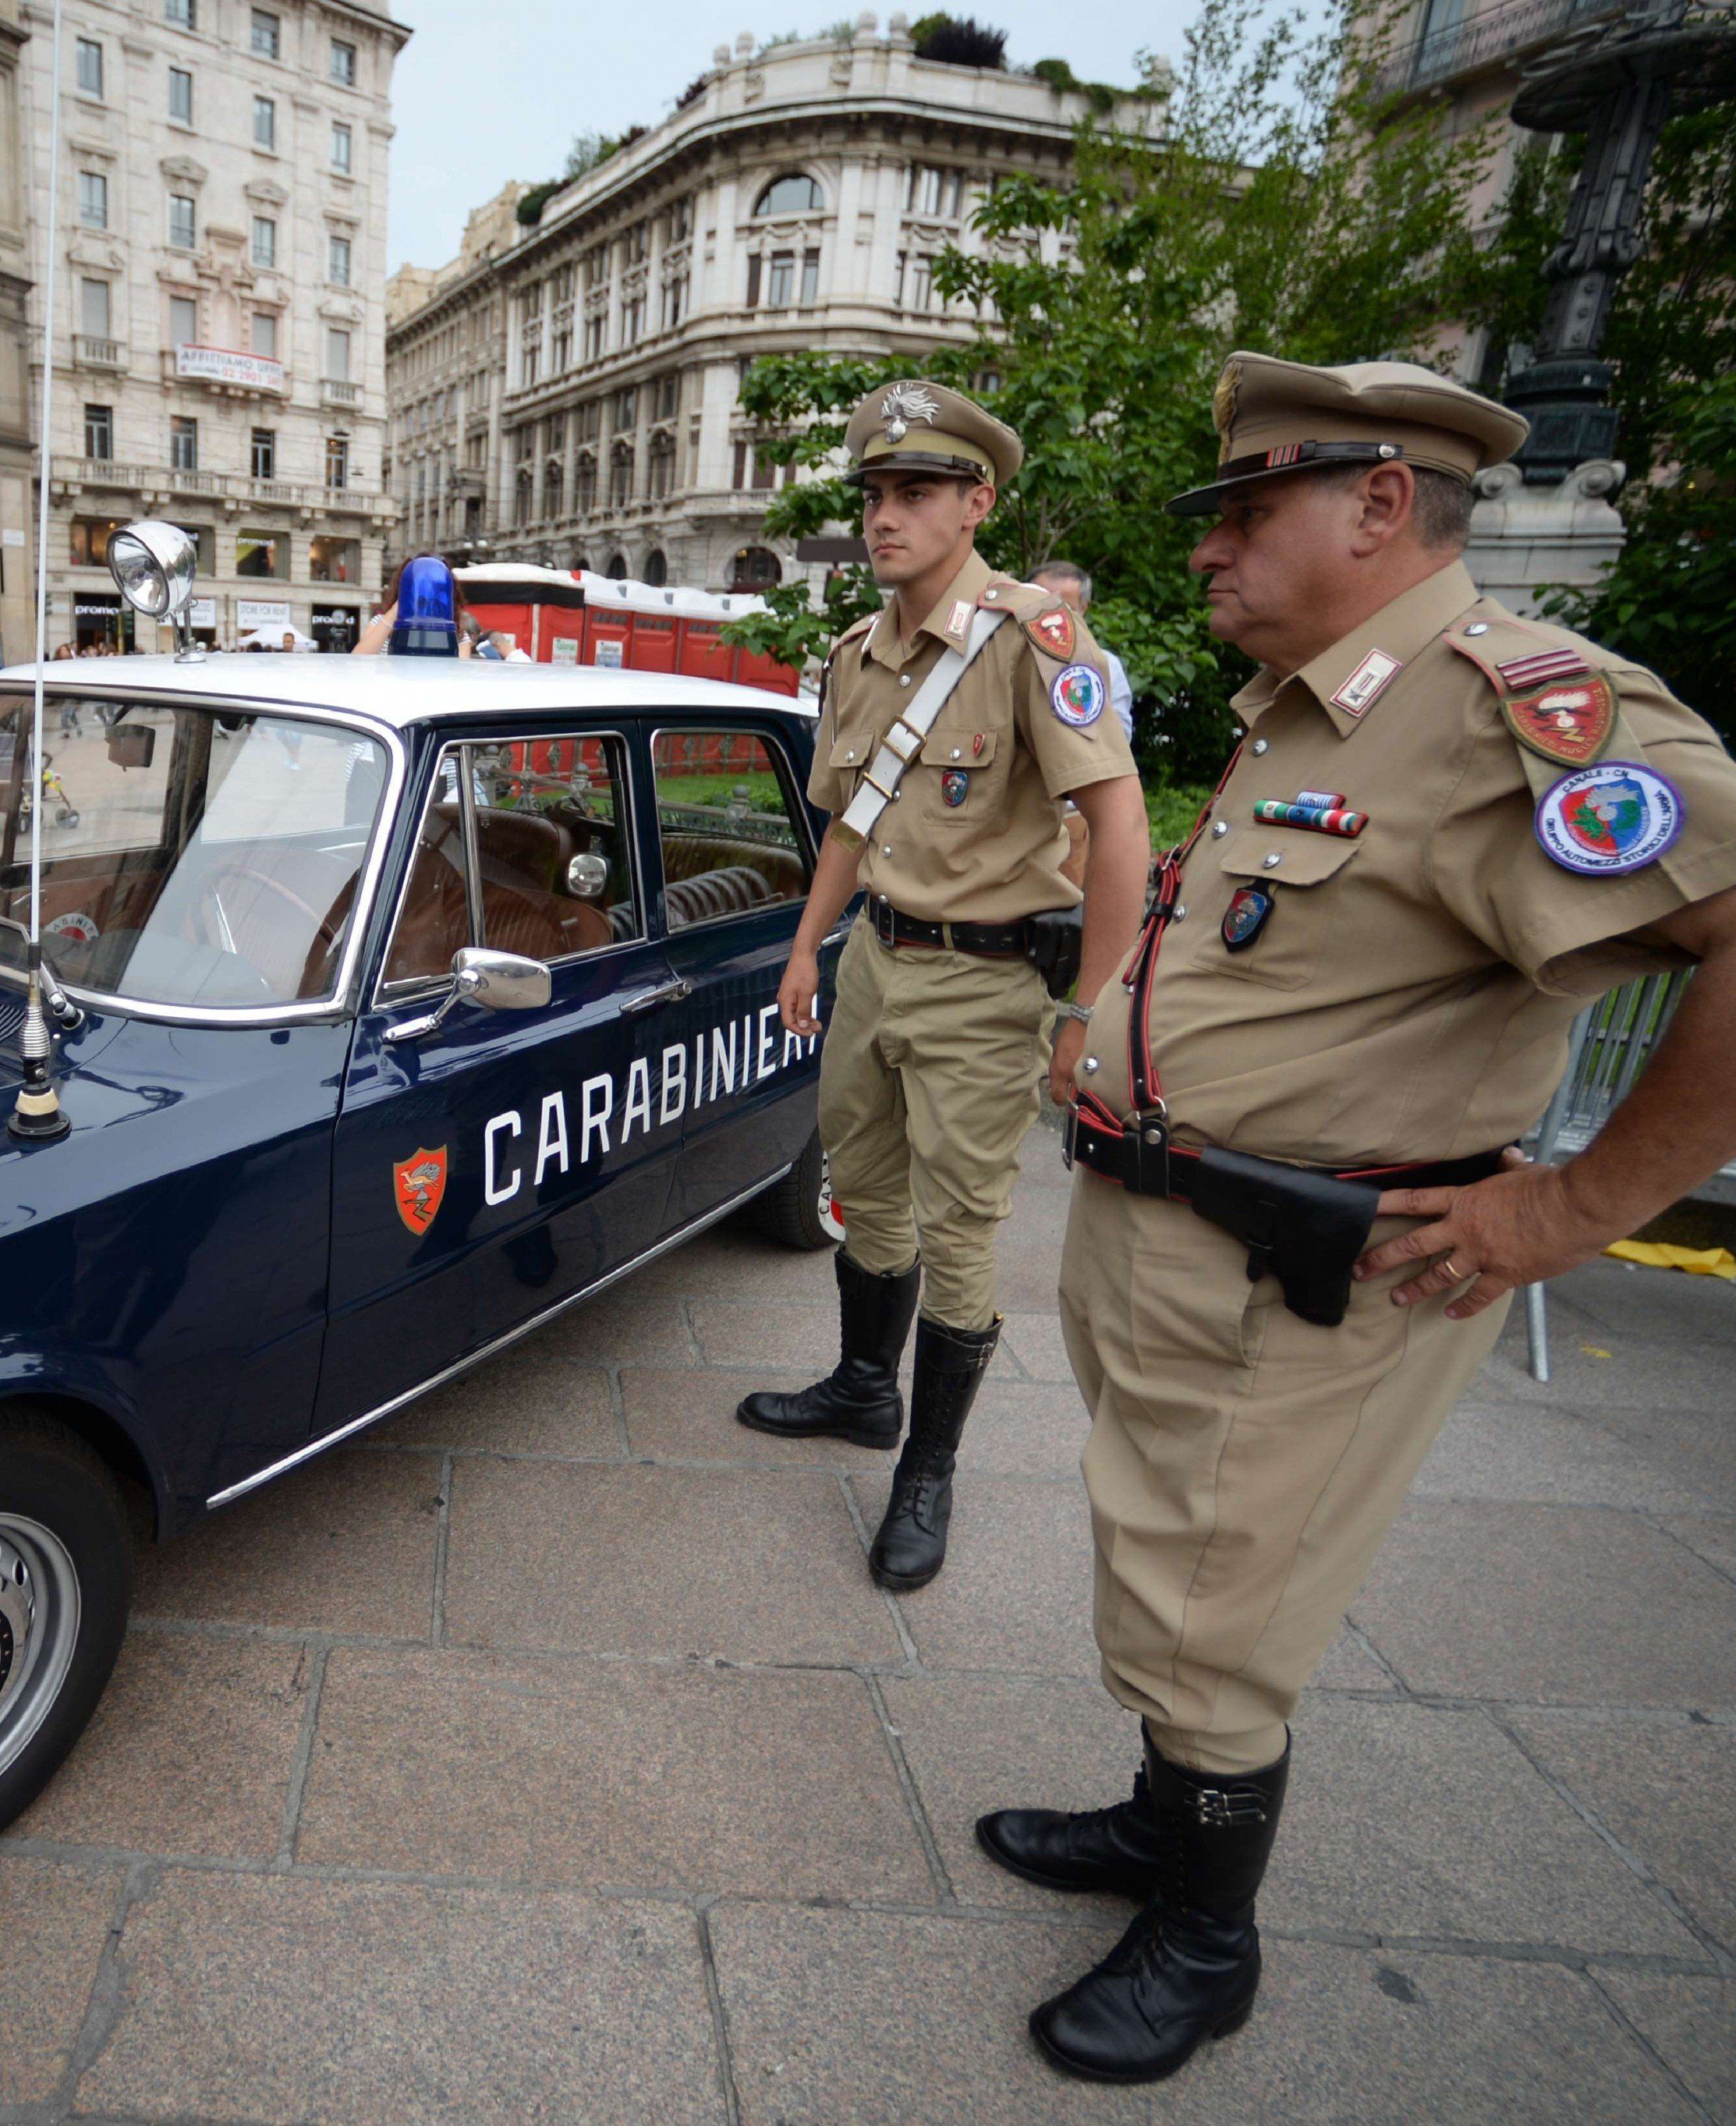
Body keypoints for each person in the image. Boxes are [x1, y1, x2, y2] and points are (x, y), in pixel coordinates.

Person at [980, 354, 1736, 2085]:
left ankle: (1205, 1934)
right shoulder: (1322, 702)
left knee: (1225, 1604)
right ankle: (1161, 1826)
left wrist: (1573, 1206)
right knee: (1171, 1566)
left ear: (1379, 503)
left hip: (1302, 1273)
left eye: (1245, 512)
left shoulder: (1510, 709)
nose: (1206, 553)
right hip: (1178, 1238)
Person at [739, 380, 1150, 1600]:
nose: (885, 516)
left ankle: (929, 1465)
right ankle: (866, 1388)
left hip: (985, 983)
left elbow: (1118, 828)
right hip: (875, 961)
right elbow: (848, 831)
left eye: (915, 492)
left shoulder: (1034, 641)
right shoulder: (856, 654)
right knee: (861, 1193)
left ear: (976, 503)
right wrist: (810, 946)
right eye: (874, 493)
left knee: (962, 1236)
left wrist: (1092, 1011)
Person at [1031, 561, 1133, 739]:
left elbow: (1120, 738)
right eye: (1043, 605)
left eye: (1066, 608)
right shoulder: (1002, 657)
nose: (1054, 617)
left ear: (1083, 609)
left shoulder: (1107, 665)